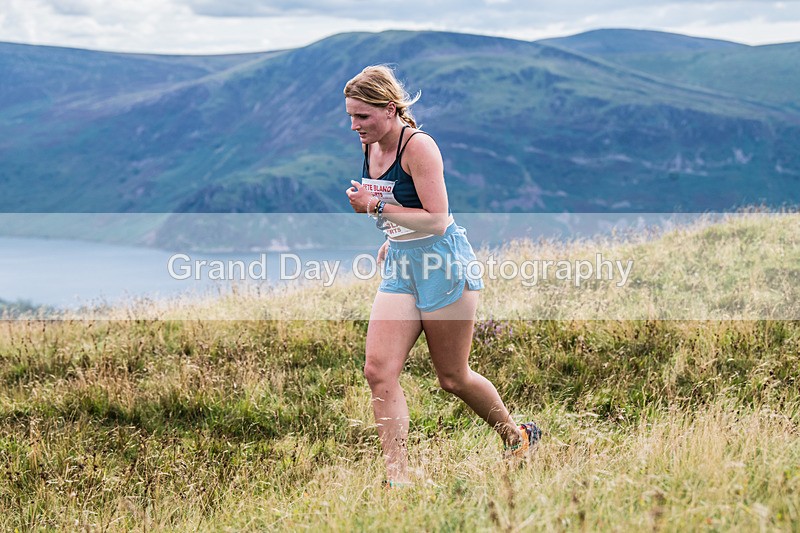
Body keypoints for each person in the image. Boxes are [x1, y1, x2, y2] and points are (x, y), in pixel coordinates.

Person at [343, 65, 540, 487]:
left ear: (391, 109)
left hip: (442, 264)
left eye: (363, 116)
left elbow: (435, 219)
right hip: (401, 264)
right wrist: (391, 234)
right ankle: (399, 479)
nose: (355, 126)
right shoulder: (372, 146)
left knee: (452, 376)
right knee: (378, 370)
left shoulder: (419, 147)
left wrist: (375, 210)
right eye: (350, 117)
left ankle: (517, 436)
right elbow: (403, 206)